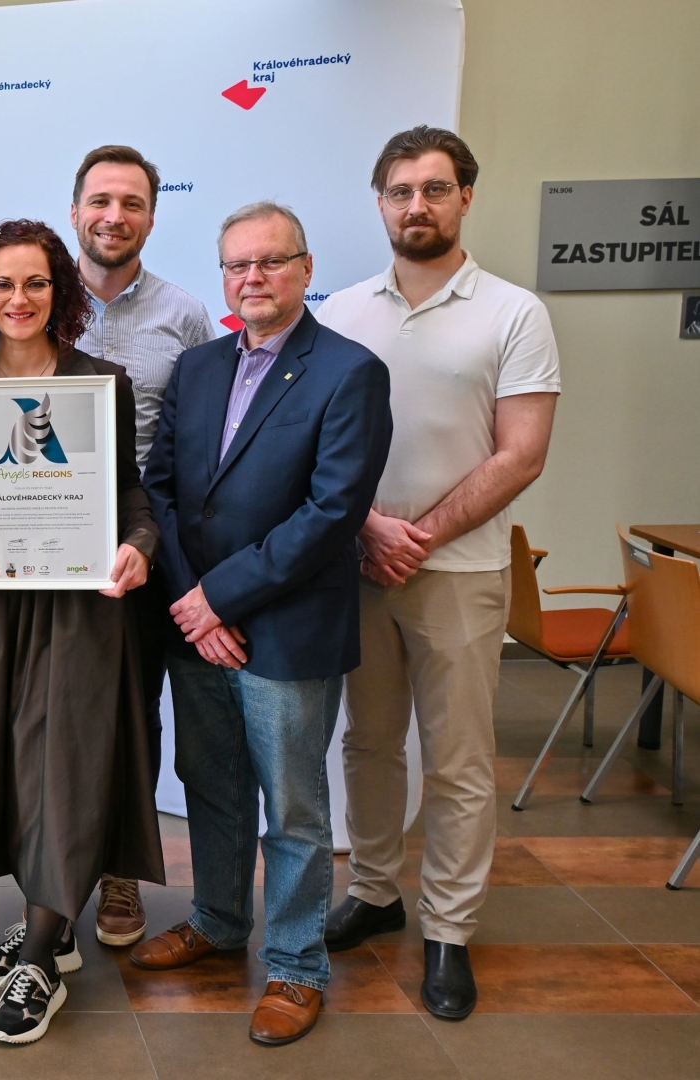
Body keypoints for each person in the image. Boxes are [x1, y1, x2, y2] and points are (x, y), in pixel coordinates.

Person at [316, 127, 560, 1020]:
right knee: (368, 742)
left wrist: (412, 536)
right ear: (379, 202)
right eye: (399, 191)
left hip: (458, 571)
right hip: (356, 566)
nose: (415, 205)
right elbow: (311, 447)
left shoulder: (513, 312)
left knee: (456, 760)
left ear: (465, 196)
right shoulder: (340, 312)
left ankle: (449, 930)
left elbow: (520, 453)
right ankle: (375, 891)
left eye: (433, 188)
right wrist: (366, 530)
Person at [138, 203, 392, 1046]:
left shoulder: (349, 372)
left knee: (292, 808)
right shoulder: (198, 366)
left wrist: (220, 598)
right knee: (210, 785)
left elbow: (331, 511)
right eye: (237, 265)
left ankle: (295, 965)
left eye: (270, 262)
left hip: (285, 630)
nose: (252, 277)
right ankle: (217, 921)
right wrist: (194, 602)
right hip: (198, 624)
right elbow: (161, 489)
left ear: (305, 269)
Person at [0, 219, 166, 1045]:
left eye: (34, 283)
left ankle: (38, 959)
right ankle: (51, 930)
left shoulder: (102, 382)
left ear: (58, 292)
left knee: (65, 769)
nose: (18, 298)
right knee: (8, 769)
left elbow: (129, 494)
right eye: (2, 284)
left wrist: (139, 544)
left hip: (82, 609)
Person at [70, 145, 213, 949]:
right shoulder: (34, 297)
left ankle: (120, 870)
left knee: (133, 717)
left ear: (151, 219)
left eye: (130, 203)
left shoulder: (184, 315)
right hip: (43, 543)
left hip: (144, 548)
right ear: (75, 212)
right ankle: (51, 870)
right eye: (100, 201)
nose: (113, 216)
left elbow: (197, 442)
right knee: (52, 716)